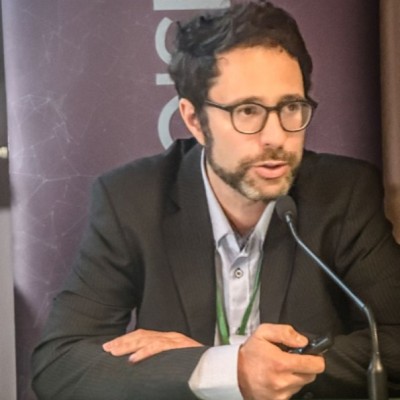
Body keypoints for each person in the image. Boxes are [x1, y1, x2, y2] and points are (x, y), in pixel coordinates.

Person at [31, 1, 400, 399]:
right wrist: (223, 368)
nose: (276, 136)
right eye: (248, 111)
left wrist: (262, 367)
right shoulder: (132, 200)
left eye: (291, 107)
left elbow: (395, 342)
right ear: (195, 120)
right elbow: (59, 365)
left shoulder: (343, 193)